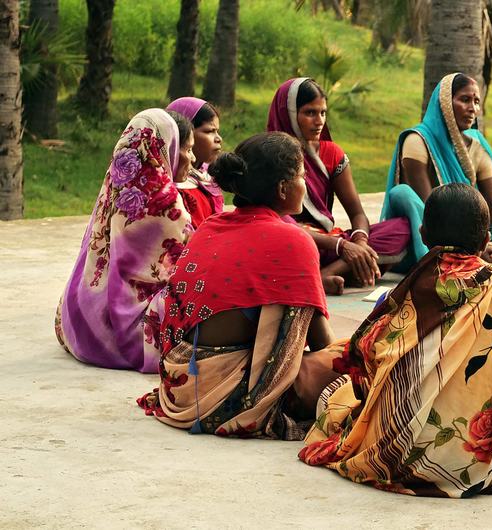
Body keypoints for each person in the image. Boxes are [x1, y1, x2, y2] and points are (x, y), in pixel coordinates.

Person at [301, 183, 492, 497]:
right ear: (486, 239)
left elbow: (363, 360)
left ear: (422, 234)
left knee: (337, 393)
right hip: (476, 462)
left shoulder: (406, 289)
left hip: (391, 450)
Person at [138, 132, 344, 439]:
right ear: (283, 188)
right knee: (357, 361)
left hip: (179, 383)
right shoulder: (293, 241)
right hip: (226, 397)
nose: (306, 183)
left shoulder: (211, 225)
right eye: (302, 175)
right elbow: (322, 344)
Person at [55, 109, 193, 372]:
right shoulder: (162, 200)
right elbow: (188, 262)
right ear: (165, 149)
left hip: (81, 315)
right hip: (124, 329)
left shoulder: (117, 181)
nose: (192, 158)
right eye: (186, 149)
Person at [381, 72, 492, 276]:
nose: (473, 108)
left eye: (477, 101)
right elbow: (430, 208)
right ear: (444, 103)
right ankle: (464, 261)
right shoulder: (418, 140)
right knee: (402, 193)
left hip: (476, 240)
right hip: (430, 236)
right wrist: (473, 249)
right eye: (464, 100)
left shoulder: (477, 146)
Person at [267, 77, 411, 295]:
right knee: (281, 237)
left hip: (329, 244)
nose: (319, 121)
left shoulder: (331, 153)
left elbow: (356, 212)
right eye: (310, 113)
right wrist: (341, 247)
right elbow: (272, 221)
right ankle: (345, 270)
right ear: (287, 113)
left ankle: (326, 274)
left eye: (323, 112)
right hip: (293, 241)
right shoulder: (269, 154)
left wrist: (359, 242)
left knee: (400, 228)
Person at [166, 97, 225, 227]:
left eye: (217, 131)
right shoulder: (176, 185)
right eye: (209, 131)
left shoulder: (207, 175)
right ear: (183, 135)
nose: (218, 138)